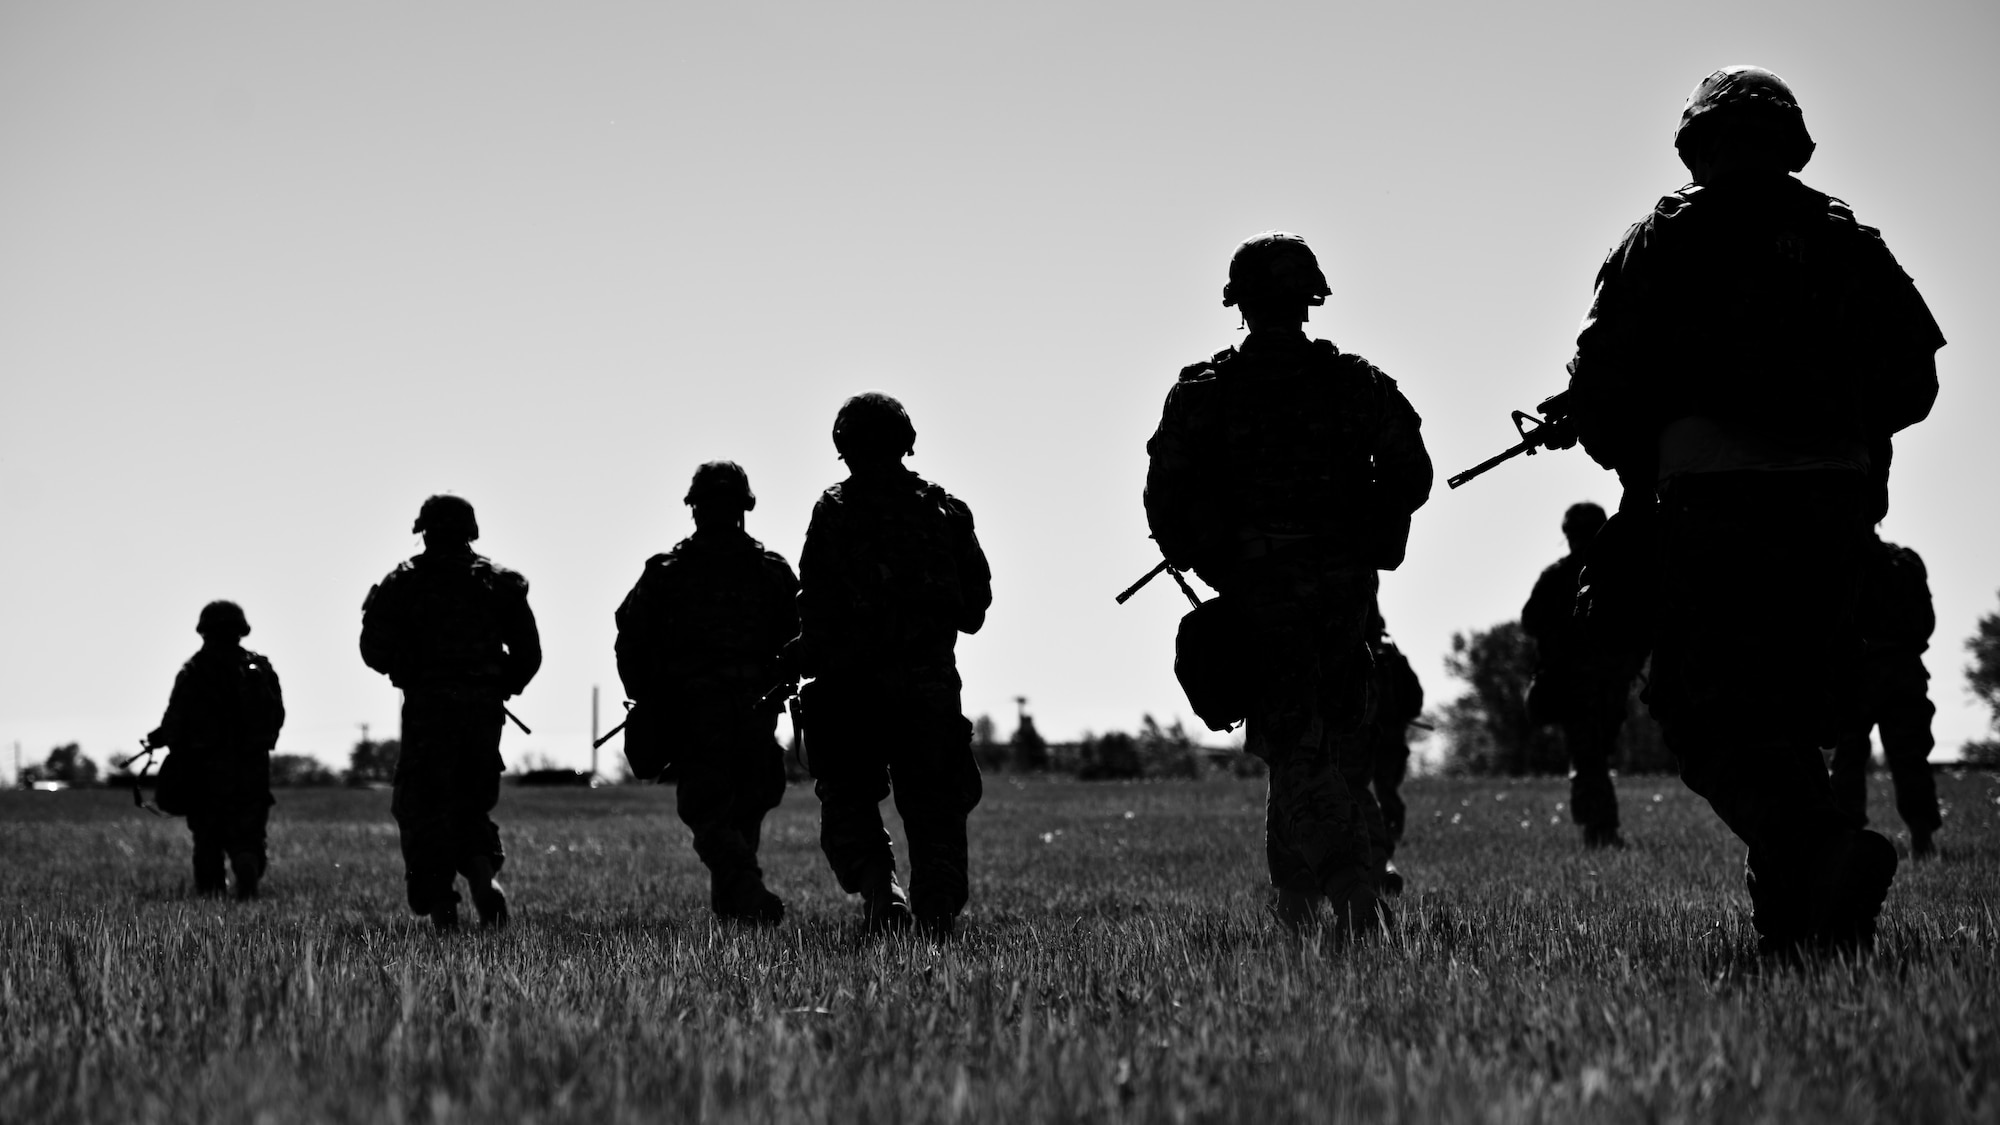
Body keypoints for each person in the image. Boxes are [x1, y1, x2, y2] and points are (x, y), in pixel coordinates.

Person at [1564, 66, 1943, 956]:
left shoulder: (1663, 238)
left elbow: (1601, 391)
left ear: (1699, 145)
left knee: (1703, 711)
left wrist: (1651, 432)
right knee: (1790, 711)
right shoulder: (1849, 242)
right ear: (1792, 143)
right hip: (1834, 512)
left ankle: (1821, 852)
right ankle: (1802, 923)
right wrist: (1828, 420)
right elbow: (1915, 380)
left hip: (1715, 502)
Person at [1145, 231, 1433, 936]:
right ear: (1310, 297)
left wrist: (1214, 555)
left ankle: (1349, 889)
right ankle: (1298, 905)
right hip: (1343, 593)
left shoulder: (1204, 393)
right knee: (1310, 737)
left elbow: (1166, 501)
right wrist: (1359, 530)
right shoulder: (1355, 383)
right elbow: (1412, 476)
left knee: (1295, 739)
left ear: (1238, 302)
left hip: (1258, 586)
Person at [794, 393, 992, 937]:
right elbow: (974, 610)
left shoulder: (835, 511)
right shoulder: (946, 512)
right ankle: (935, 912)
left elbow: (817, 607)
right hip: (927, 691)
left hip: (852, 690)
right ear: (906, 441)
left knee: (849, 799)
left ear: (844, 447)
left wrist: (802, 653)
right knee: (936, 809)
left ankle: (884, 892)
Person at [615, 461, 799, 924]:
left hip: (696, 711)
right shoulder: (772, 572)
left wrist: (647, 695)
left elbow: (629, 638)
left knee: (710, 810)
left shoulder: (667, 573)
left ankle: (744, 892)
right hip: (753, 710)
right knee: (742, 809)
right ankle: (741, 903)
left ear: (694, 508)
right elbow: (798, 638)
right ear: (744, 508)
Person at [361, 495, 542, 930]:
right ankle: (481, 873)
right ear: (470, 531)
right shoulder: (501, 582)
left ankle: (442, 903)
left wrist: (408, 668)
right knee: (470, 802)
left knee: (421, 805)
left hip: (427, 711)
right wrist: (500, 684)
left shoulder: (402, 582)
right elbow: (529, 653)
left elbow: (373, 648)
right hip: (482, 712)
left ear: (424, 531)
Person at [146, 600, 285, 899]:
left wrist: (160, 738)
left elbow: (175, 721)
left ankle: (211, 895)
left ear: (204, 630)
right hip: (252, 768)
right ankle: (246, 862)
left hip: (204, 770)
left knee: (208, 837)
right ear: (240, 629)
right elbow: (277, 716)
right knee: (249, 834)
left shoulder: (195, 670)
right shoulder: (259, 668)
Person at [1521, 501, 1632, 848]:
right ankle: (1601, 831)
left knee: (1589, 758)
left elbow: (1531, 621)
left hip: (1585, 684)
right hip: (1600, 683)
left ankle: (1600, 831)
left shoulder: (1559, 576)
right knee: (1592, 757)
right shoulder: (1618, 574)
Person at [1829, 532, 1942, 858]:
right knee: (1910, 758)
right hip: (1903, 672)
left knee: (1849, 759)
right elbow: (1926, 624)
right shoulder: (1904, 561)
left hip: (1858, 674)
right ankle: (1922, 838)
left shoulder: (1845, 560)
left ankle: (1846, 840)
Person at [1365, 608, 1424, 895]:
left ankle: (1379, 854)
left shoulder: (1359, 655)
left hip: (1366, 737)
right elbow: (1415, 701)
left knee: (1360, 791)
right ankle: (1387, 842)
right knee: (1386, 792)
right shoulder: (1394, 658)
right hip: (1392, 739)